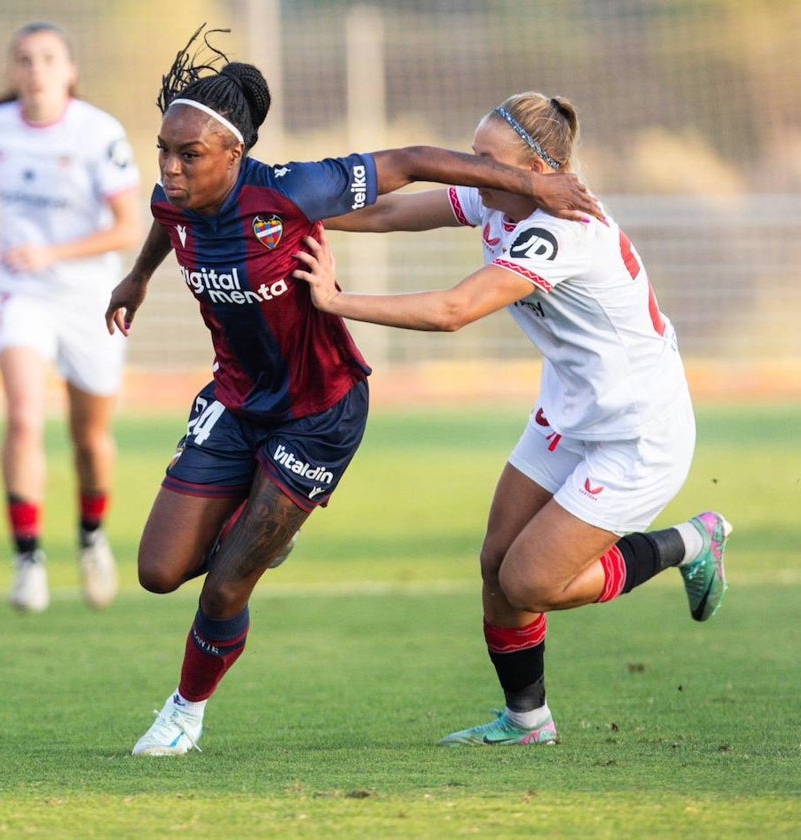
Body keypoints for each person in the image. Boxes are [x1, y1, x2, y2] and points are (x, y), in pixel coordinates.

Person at [104, 30, 602, 756]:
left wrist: (535, 185)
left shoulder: (291, 191)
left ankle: (183, 714)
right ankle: (261, 532)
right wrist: (138, 277)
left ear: (235, 157)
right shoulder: (172, 198)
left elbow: (408, 162)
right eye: (164, 152)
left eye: (189, 156)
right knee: (157, 572)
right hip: (238, 401)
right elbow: (162, 215)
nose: (170, 171)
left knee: (223, 589)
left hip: (318, 414)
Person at [293, 91, 732, 746]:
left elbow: (453, 310)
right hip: (570, 406)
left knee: (529, 580)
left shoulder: (562, 232)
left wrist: (337, 301)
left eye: (487, 160)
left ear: (536, 168)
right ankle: (528, 723)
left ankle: (690, 543)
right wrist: (285, 212)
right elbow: (387, 211)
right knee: (495, 561)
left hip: (639, 430)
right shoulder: (499, 197)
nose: (475, 172)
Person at [0, 21, 141, 613]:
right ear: (12, 70)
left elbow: (127, 227)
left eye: (47, 58)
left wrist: (54, 252)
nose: (35, 69)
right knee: (22, 415)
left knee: (89, 438)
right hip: (20, 290)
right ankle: (28, 561)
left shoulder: (99, 133)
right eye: (24, 59)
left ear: (69, 71)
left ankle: (91, 540)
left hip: (90, 295)